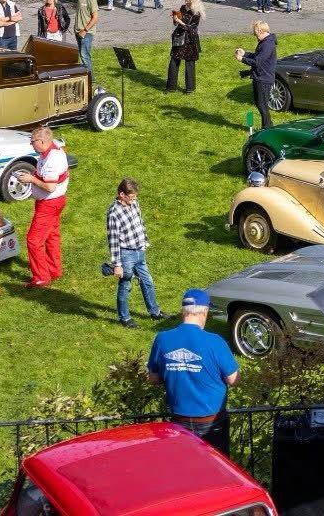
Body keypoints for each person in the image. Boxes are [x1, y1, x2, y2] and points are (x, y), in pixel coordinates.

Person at [147, 288, 239, 454]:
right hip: (212, 422)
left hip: (178, 420)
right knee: (215, 465)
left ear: (184, 311)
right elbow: (233, 379)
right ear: (204, 312)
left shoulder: (162, 338)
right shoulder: (215, 341)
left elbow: (153, 378)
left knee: (184, 465)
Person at [16, 127, 70, 287]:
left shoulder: (52, 160)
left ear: (41, 141)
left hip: (49, 204)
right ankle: (54, 270)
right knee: (52, 237)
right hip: (55, 202)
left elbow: (50, 187)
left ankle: (41, 277)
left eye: (32, 141)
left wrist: (31, 180)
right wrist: (33, 176)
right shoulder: (52, 151)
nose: (31, 144)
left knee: (33, 240)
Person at [108, 178, 164, 327]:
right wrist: (117, 264)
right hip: (126, 254)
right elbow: (113, 240)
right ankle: (125, 318)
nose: (134, 200)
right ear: (122, 194)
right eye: (131, 197)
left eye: (135, 197)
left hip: (139, 251)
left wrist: (144, 242)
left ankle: (155, 312)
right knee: (125, 285)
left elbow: (140, 223)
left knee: (147, 281)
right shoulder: (114, 213)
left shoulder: (134, 204)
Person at [236, 21, 278, 129]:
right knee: (260, 104)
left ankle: (267, 127)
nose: (255, 36)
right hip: (260, 77)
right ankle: (268, 126)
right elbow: (258, 56)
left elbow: (257, 62)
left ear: (260, 31)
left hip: (264, 78)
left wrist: (242, 59)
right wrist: (245, 54)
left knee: (262, 105)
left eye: (255, 33)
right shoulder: (265, 42)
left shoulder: (267, 44)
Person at [167, 0, 203, 93]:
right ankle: (171, 87)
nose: (186, 2)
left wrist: (180, 22)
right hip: (179, 37)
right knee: (174, 60)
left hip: (190, 40)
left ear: (193, 1)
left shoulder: (196, 13)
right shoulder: (183, 8)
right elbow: (176, 23)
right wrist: (175, 19)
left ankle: (190, 89)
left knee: (189, 63)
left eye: (188, 0)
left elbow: (191, 28)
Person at [72, 0, 99, 71]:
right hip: (79, 32)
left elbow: (95, 17)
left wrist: (85, 30)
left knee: (85, 57)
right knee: (83, 56)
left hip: (86, 33)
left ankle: (90, 78)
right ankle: (87, 77)